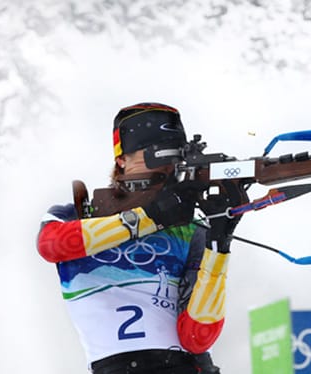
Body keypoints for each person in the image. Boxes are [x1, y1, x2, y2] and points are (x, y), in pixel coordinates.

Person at [37, 102, 246, 374]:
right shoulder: (79, 214)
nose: (167, 169)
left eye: (175, 159)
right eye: (155, 156)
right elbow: (51, 245)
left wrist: (218, 244)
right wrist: (150, 217)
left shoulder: (190, 230)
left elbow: (197, 337)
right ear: (122, 160)